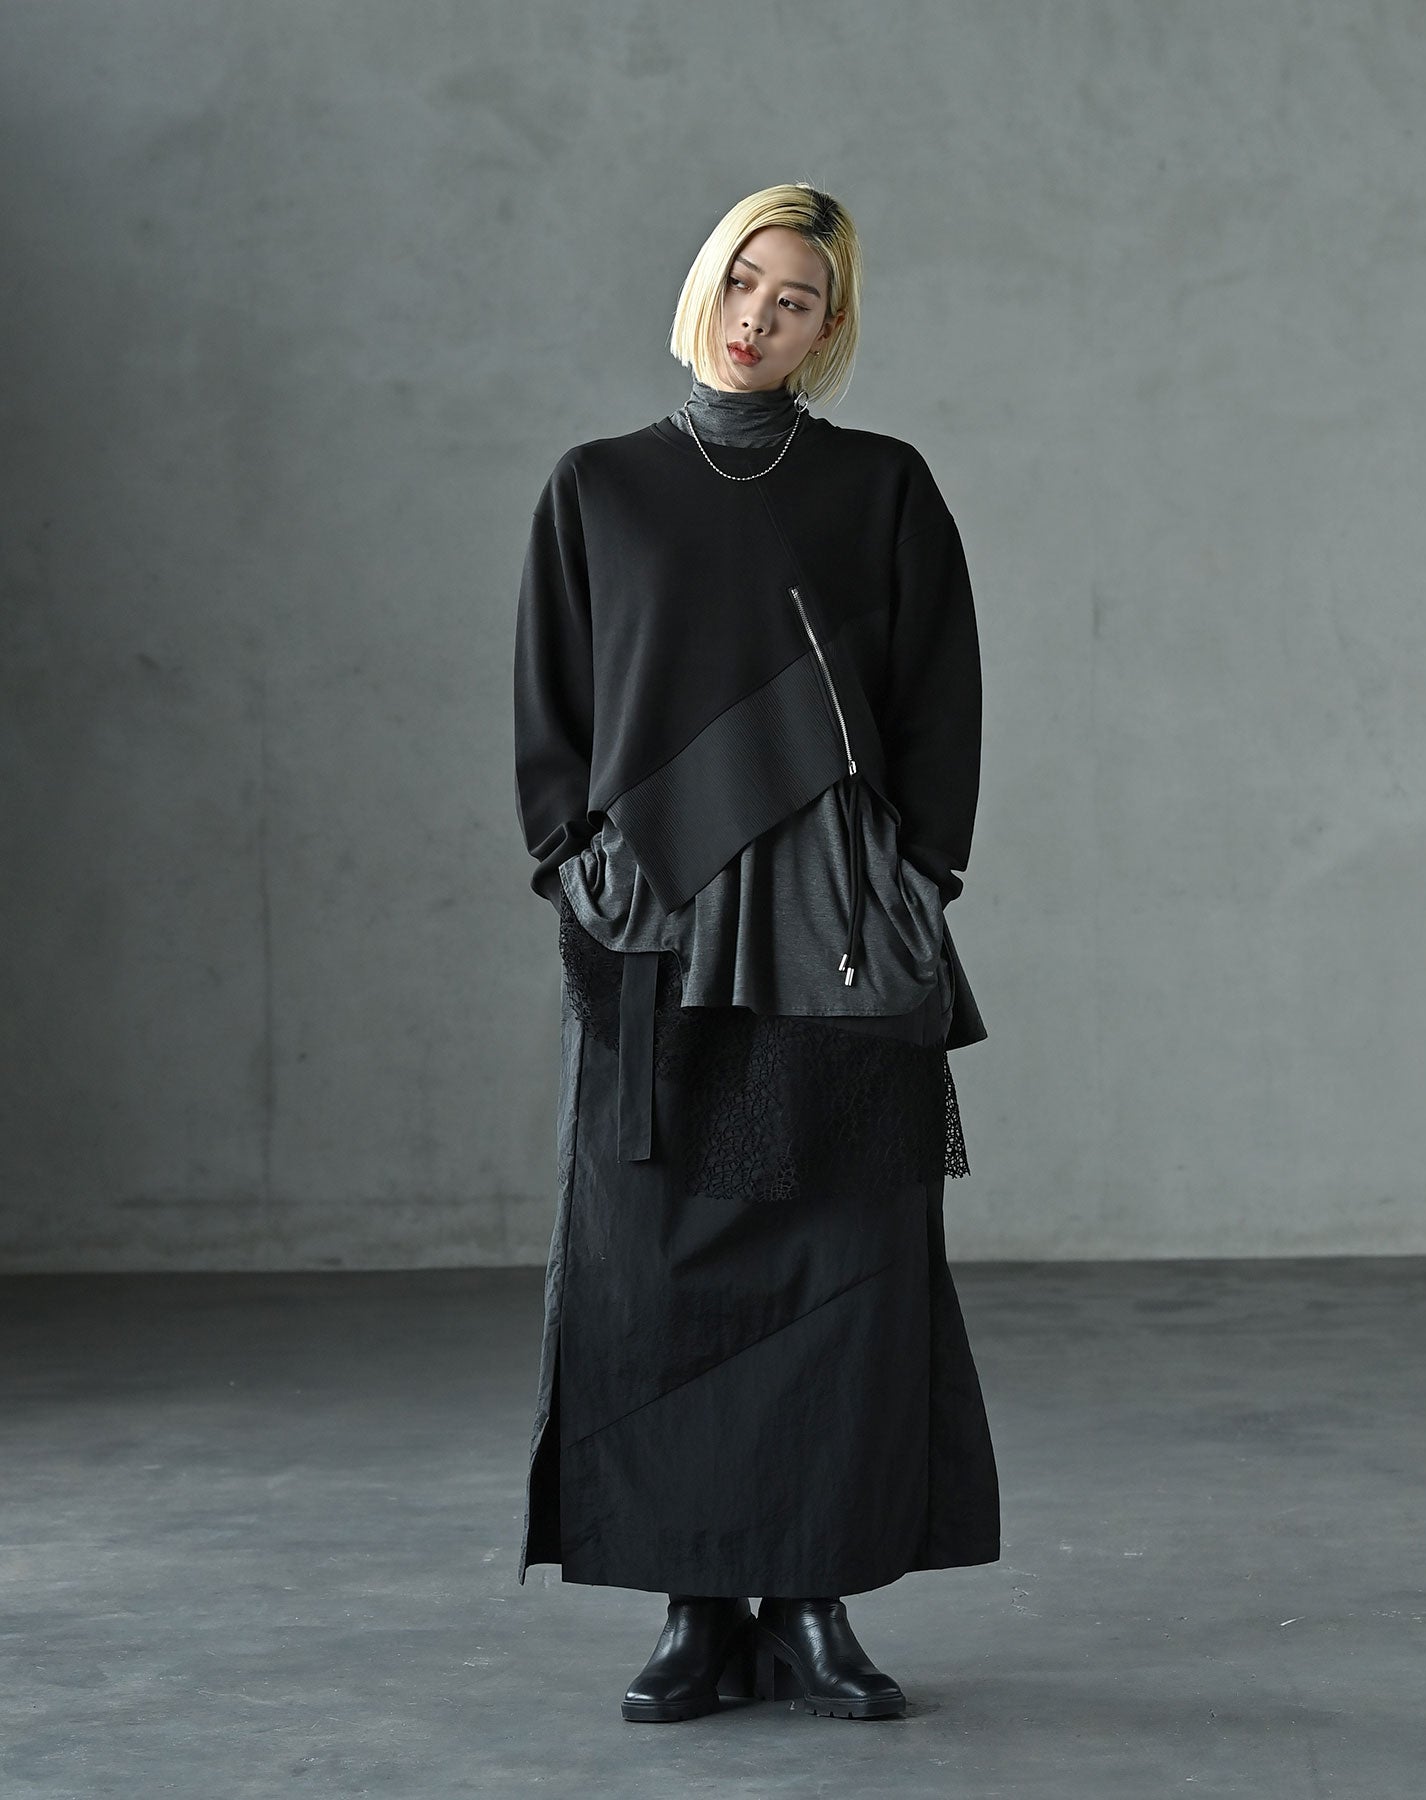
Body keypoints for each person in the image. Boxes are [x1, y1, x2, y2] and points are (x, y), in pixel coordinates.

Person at [512, 182, 1001, 1724]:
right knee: (657, 1270)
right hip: (658, 926)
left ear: (829, 327)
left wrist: (919, 881)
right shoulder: (600, 488)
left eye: (795, 300)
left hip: (833, 935)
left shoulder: (882, 486)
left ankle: (813, 1603)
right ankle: (692, 1608)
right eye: (743, 281)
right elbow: (552, 711)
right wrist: (580, 872)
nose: (757, 318)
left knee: (841, 1262)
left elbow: (940, 696)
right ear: (704, 284)